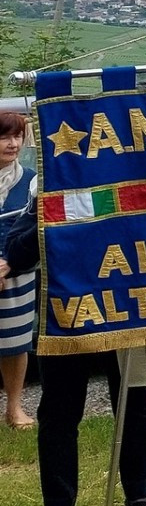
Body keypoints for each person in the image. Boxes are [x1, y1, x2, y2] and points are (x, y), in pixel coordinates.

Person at [2, 150, 146, 506]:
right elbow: (19, 251)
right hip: (66, 314)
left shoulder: (131, 181)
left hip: (125, 310)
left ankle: (139, 498)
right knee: (57, 413)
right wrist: (51, 210)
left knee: (134, 401)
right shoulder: (48, 186)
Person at [0, 112, 37, 430]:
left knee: (15, 344)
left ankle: (14, 408)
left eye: (17, 137)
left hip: (17, 274)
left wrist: (10, 262)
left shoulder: (31, 180)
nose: (12, 144)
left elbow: (35, 228)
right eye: (4, 137)